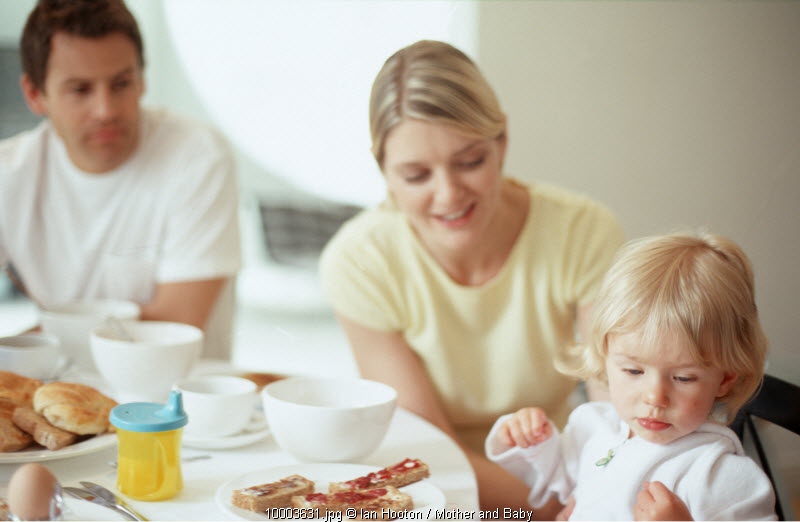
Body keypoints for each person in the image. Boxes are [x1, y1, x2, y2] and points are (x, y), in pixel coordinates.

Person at [319, 40, 625, 512]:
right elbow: (425, 450)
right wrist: (569, 507)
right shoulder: (360, 262)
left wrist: (598, 493)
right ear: (383, 169)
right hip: (438, 490)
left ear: (502, 142)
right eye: (416, 175)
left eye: (469, 162)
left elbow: (616, 412)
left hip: (560, 471)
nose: (448, 195)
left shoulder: (581, 231)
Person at [0, 0, 241, 358]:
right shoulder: (9, 174)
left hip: (172, 401)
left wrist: (26, 348)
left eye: (121, 83)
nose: (106, 110)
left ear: (142, 80)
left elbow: (176, 327)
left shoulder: (197, 156)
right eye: (80, 90)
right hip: (52, 393)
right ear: (35, 95)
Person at [486, 232, 776, 520]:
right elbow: (561, 480)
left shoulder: (719, 475)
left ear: (725, 379)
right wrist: (532, 440)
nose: (655, 397)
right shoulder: (597, 427)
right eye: (634, 371)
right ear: (605, 356)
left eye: (684, 378)